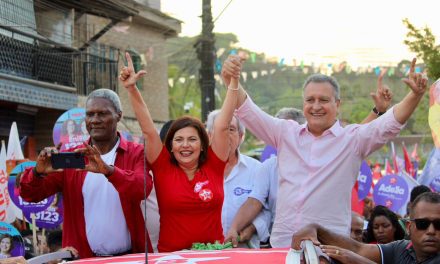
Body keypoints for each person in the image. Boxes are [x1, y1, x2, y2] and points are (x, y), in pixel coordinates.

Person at [222, 56, 428, 247]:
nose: (316, 106)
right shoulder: (285, 133)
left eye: (324, 100)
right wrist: (232, 80)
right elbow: (249, 110)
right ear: (303, 104)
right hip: (284, 246)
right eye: (310, 100)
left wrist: (415, 95)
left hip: (329, 250)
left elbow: (391, 122)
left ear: (337, 104)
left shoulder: (353, 140)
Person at [119, 52, 237, 252]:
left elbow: (222, 126)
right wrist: (132, 88)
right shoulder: (162, 165)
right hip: (171, 258)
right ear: (171, 147)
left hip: (214, 258)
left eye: (192, 139)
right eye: (179, 140)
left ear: (202, 145)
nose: (185, 145)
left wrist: (233, 82)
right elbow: (148, 129)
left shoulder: (214, 164)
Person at [20, 88, 153, 258]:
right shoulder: (72, 156)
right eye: (90, 114)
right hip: (83, 257)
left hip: (130, 257)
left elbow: (142, 189)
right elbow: (29, 195)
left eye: (102, 114)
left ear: (119, 115)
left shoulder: (136, 152)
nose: (95, 120)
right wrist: (38, 173)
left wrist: (109, 171)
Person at [291, 192, 440, 264]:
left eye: (438, 225)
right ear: (409, 227)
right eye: (423, 224)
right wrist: (316, 229)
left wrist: (357, 261)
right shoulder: (403, 248)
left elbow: (356, 256)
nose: (431, 230)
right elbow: (359, 250)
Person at [206, 109, 269, 248]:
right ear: (209, 135)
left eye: (231, 129)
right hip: (204, 253)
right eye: (219, 129)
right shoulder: (196, 169)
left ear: (241, 136)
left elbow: (268, 210)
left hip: (244, 253)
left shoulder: (257, 169)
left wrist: (253, 227)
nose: (225, 135)